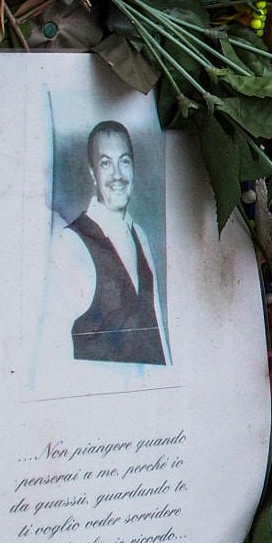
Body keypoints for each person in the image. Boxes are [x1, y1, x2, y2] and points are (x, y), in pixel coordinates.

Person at [49, 120, 168, 365]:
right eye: (106, 163)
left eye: (124, 161)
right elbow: (54, 347)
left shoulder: (140, 236)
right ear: (93, 173)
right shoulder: (69, 242)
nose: (117, 175)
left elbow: (157, 334)